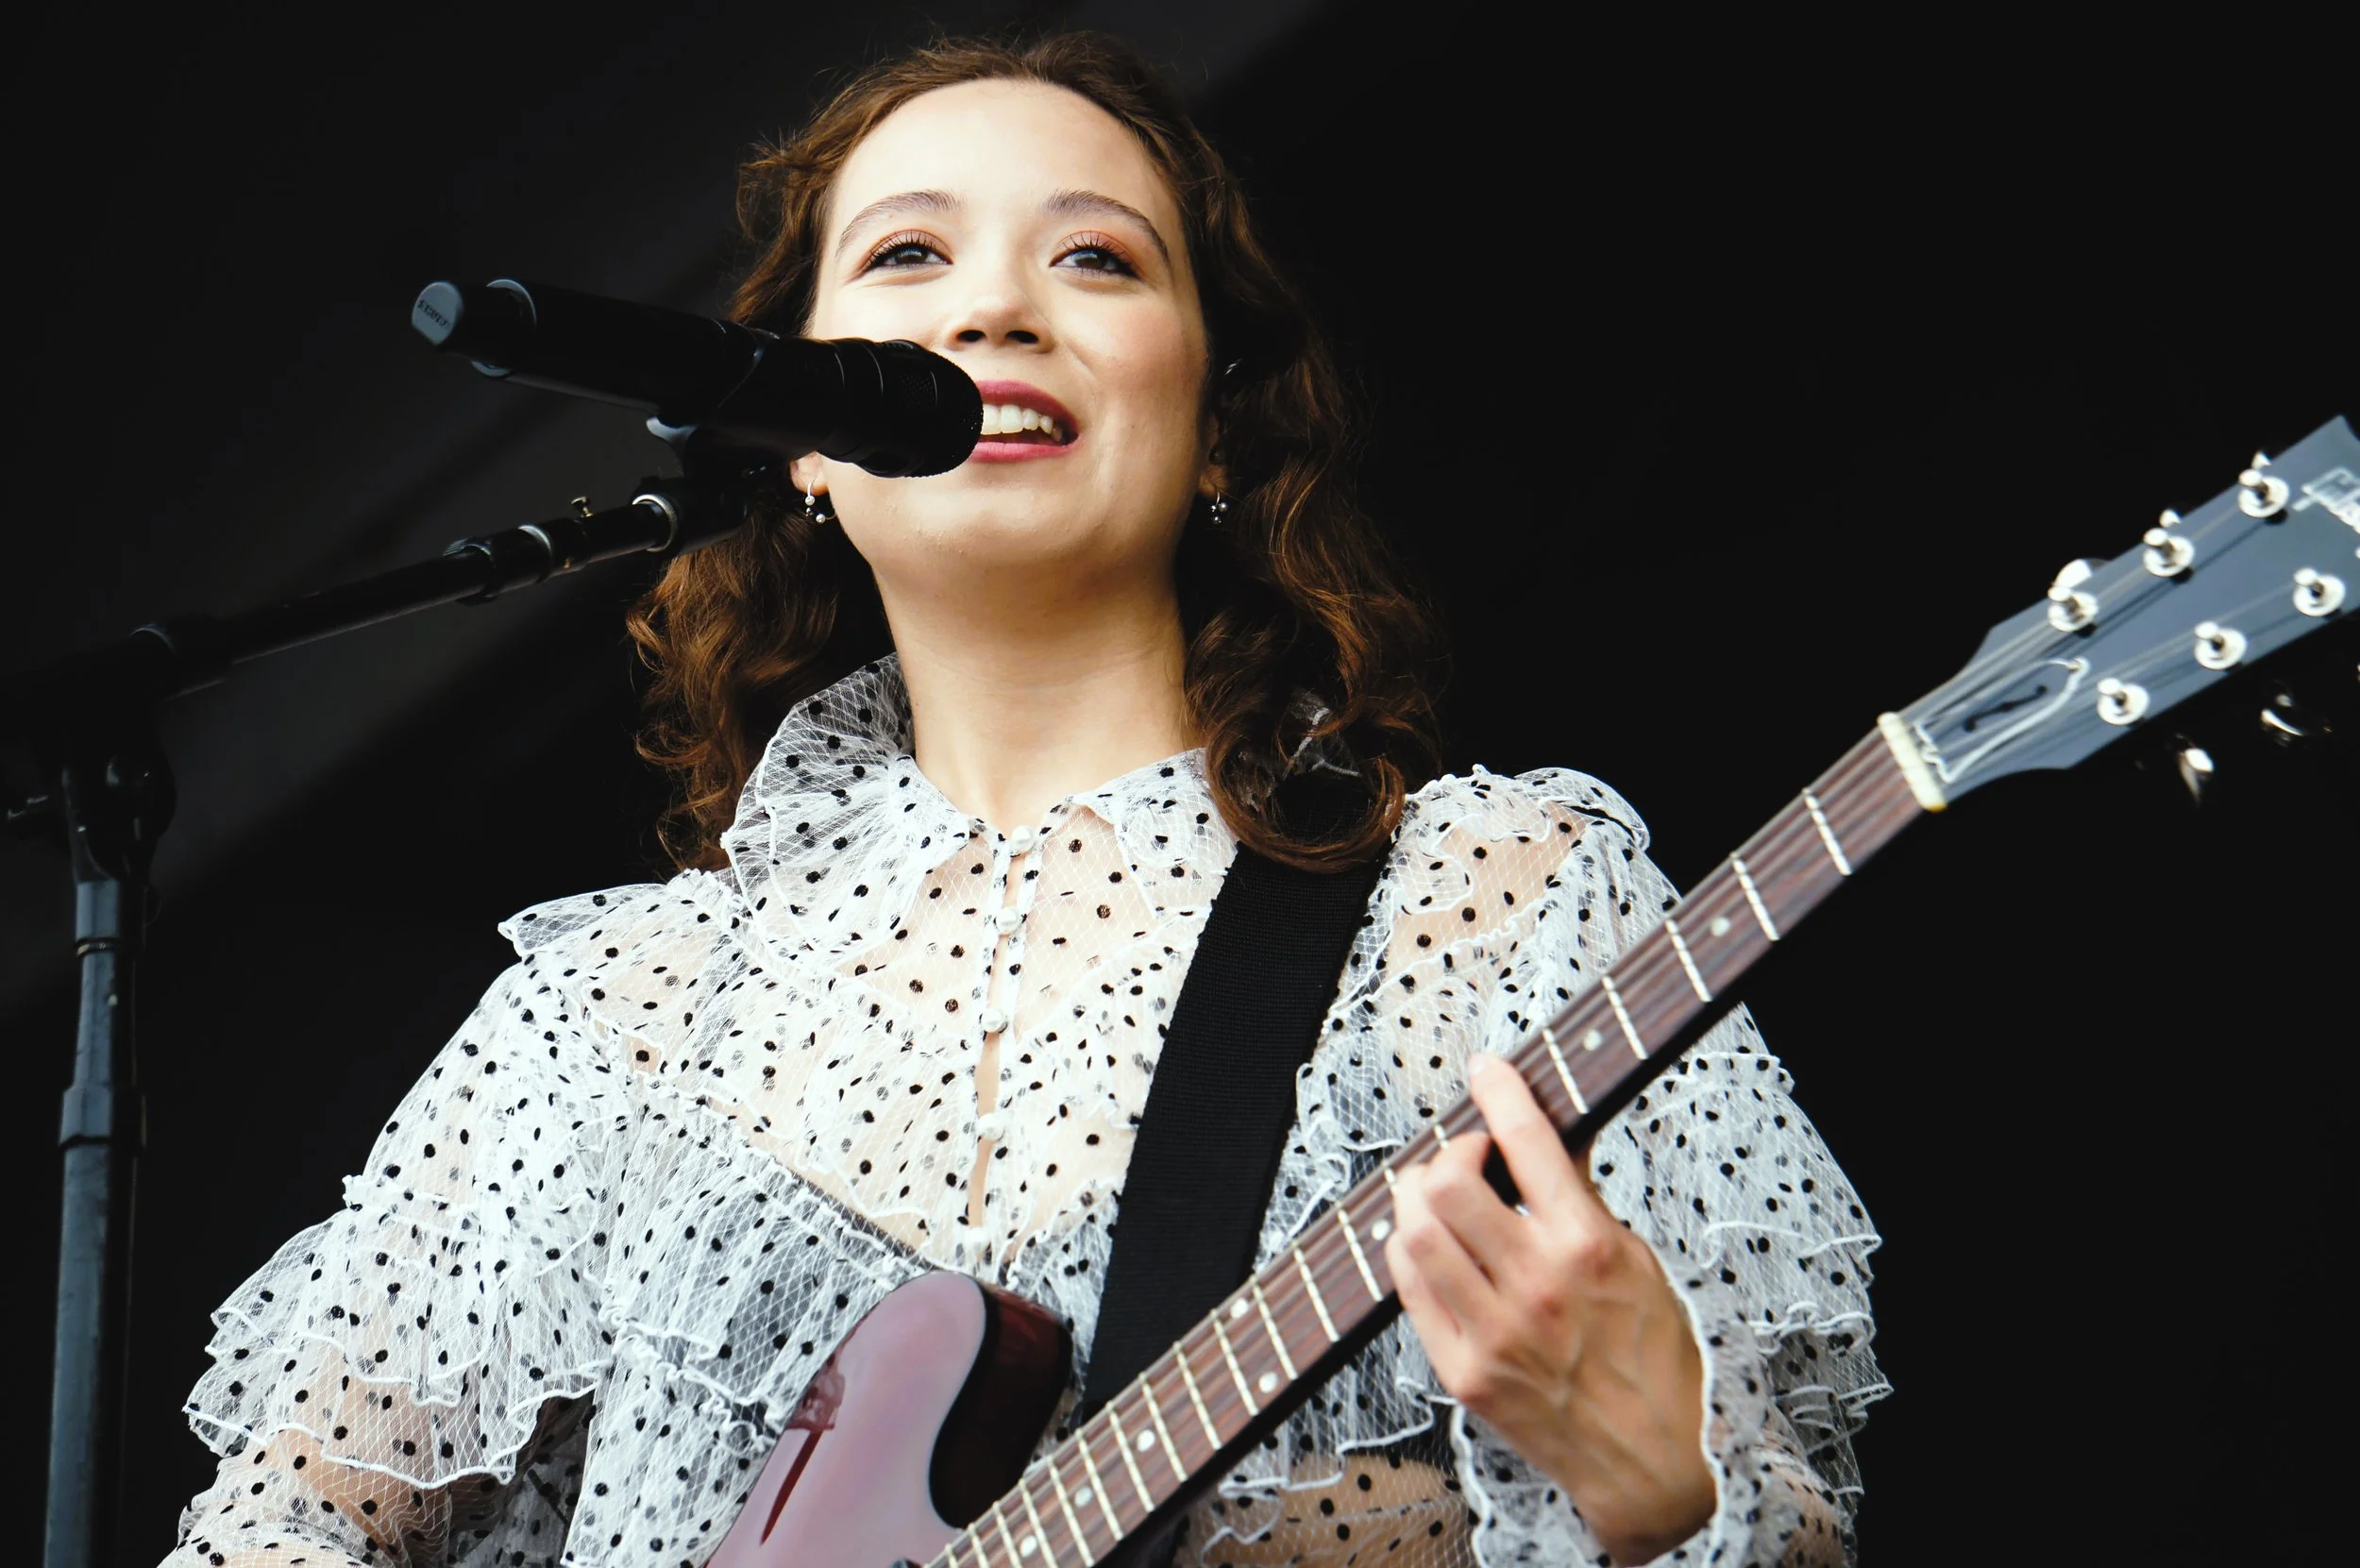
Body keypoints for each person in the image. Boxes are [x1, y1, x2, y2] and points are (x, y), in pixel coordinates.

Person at [161, 33, 1883, 1568]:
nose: (993, 309)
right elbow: (285, 1520)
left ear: (1216, 423)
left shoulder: (1487, 902)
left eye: (1097, 258)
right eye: (909, 255)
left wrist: (1668, 1499)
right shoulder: (610, 1018)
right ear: (804, 448)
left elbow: (1789, 1513)